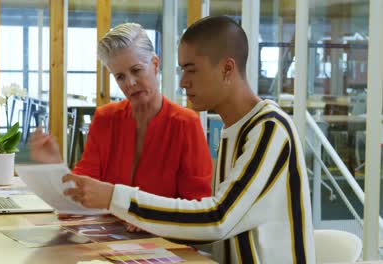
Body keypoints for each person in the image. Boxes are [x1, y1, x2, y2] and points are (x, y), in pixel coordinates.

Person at [62, 16, 315, 263]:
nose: (183, 82)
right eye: (182, 70)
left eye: (191, 70)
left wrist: (115, 198)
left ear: (227, 69)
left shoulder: (269, 128)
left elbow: (217, 219)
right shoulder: (234, 131)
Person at [30, 23, 213, 215]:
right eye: (120, 77)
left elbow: (197, 207)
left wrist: (146, 217)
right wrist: (55, 167)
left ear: (155, 65)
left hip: (162, 238)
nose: (130, 83)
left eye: (136, 70)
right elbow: (85, 183)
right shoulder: (105, 118)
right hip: (109, 235)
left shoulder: (185, 124)